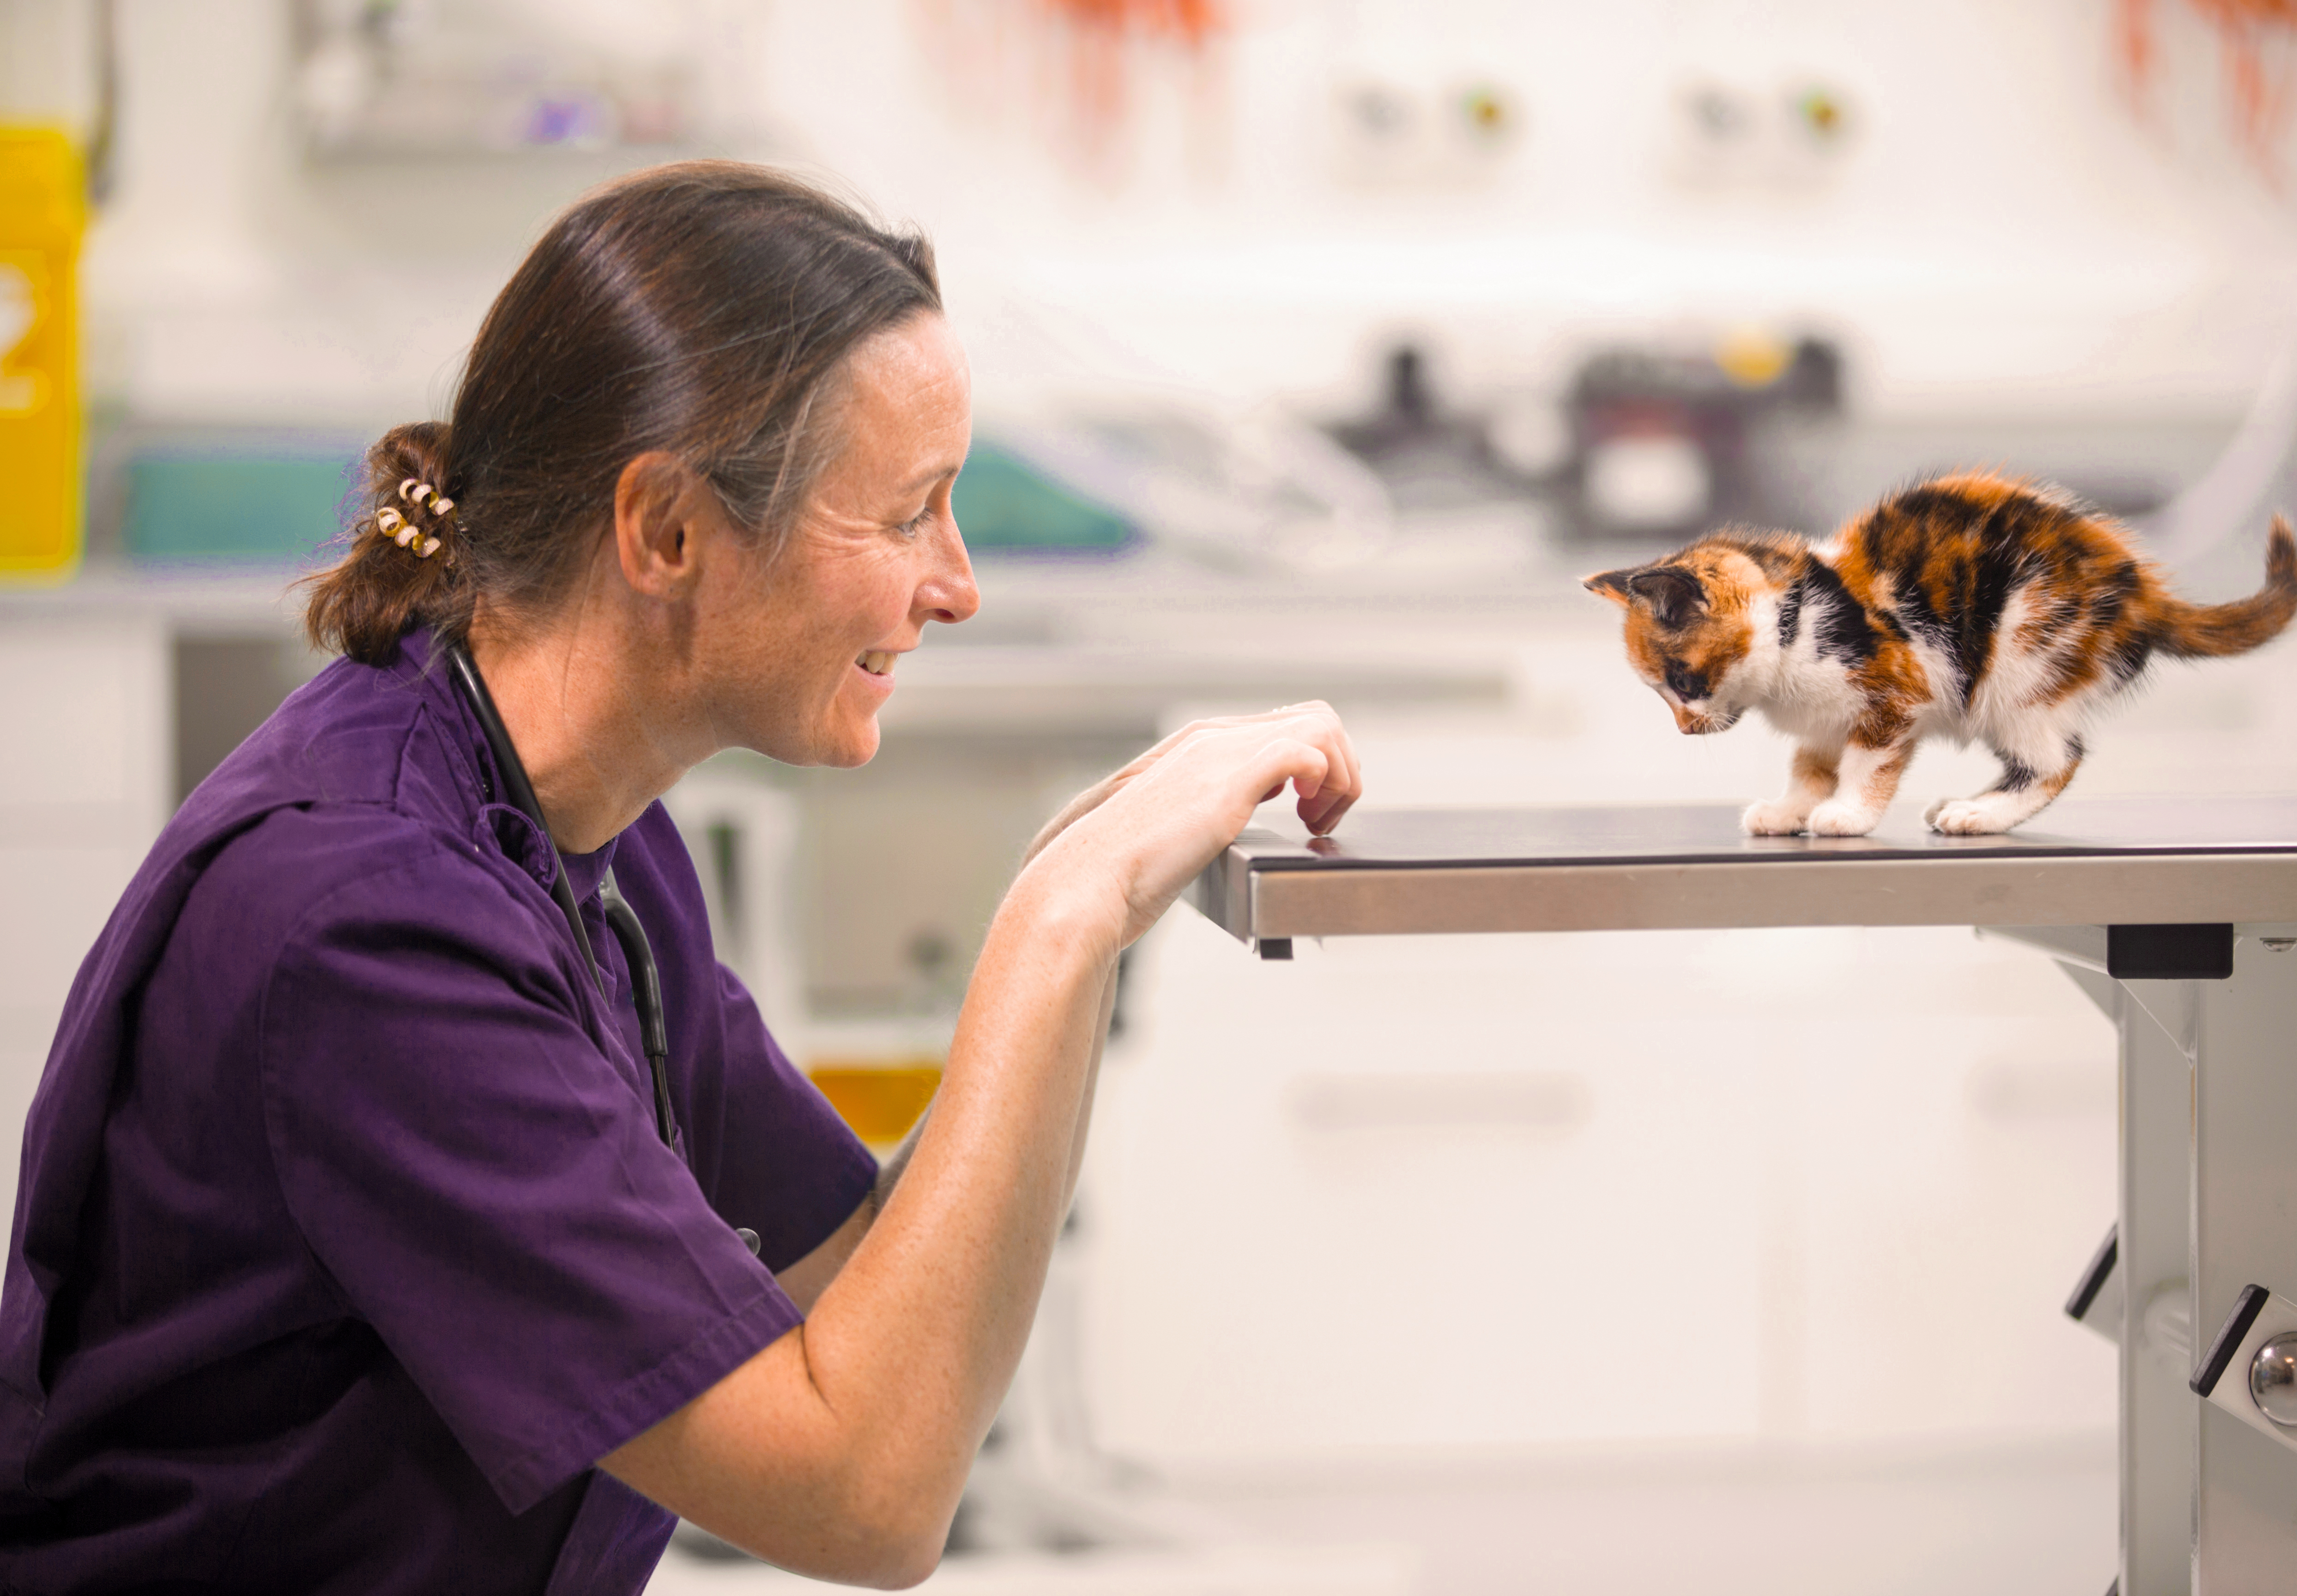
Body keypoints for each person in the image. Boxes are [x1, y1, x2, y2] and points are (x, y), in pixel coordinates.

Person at [0, 161, 1360, 1593]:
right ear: (667, 533)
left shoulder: (589, 833)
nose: (957, 584)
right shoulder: (372, 932)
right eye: (907, 514)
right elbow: (864, 1500)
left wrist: (1086, 888)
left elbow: (868, 1299)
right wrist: (1058, 927)